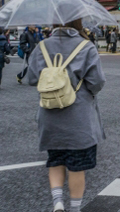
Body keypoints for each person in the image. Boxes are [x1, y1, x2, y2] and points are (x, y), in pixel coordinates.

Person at [27, 18, 106, 212]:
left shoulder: (42, 46)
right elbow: (97, 81)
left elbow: (31, 78)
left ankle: (58, 203)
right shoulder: (86, 46)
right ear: (78, 22)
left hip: (49, 114)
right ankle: (75, 208)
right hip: (78, 116)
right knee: (77, 166)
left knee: (55, 160)